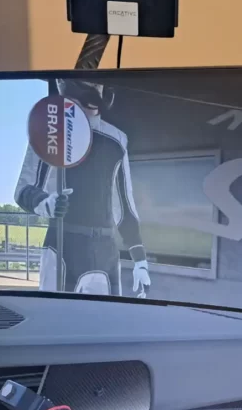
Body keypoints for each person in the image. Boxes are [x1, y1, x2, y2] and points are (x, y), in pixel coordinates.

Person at [14, 79, 151, 296]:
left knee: (106, 316)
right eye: (89, 83)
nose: (96, 87)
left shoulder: (117, 139)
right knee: (56, 314)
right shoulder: (50, 128)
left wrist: (140, 259)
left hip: (105, 248)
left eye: (98, 83)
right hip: (63, 243)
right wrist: (46, 203)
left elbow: (124, 203)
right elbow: (23, 189)